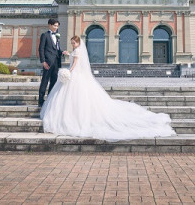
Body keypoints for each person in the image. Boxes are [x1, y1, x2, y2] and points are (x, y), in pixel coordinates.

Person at [40, 35, 176, 141]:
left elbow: (75, 63)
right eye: (72, 43)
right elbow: (74, 58)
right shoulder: (76, 51)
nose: (72, 44)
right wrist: (67, 55)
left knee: (74, 97)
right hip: (78, 76)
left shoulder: (77, 51)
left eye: (73, 43)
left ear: (78, 43)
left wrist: (69, 71)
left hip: (75, 75)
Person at [38, 18, 62, 107]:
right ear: (50, 25)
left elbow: (57, 49)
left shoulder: (57, 36)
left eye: (57, 26)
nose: (56, 27)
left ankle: (50, 99)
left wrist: (62, 52)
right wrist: (43, 61)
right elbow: (41, 49)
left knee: (54, 81)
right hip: (47, 62)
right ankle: (40, 101)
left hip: (56, 62)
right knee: (45, 81)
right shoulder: (45, 35)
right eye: (55, 25)